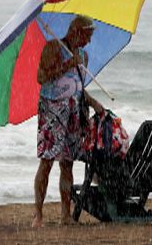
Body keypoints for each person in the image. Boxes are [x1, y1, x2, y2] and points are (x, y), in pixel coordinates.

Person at [32, 15, 105, 227]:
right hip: (52, 111)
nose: (89, 41)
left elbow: (78, 86)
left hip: (74, 112)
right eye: (87, 35)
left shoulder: (83, 55)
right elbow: (41, 77)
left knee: (67, 163)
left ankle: (65, 215)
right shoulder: (53, 47)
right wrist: (67, 64)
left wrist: (92, 102)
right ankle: (38, 215)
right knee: (47, 161)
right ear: (76, 32)